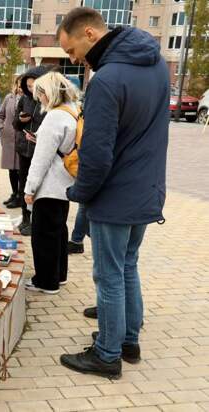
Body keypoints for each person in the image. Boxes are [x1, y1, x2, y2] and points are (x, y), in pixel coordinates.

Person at [56, 7, 169, 379]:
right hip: (146, 191)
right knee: (127, 267)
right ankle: (128, 342)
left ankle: (106, 354)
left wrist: (79, 193)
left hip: (115, 196)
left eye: (72, 51)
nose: (74, 60)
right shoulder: (156, 67)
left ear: (89, 34)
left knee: (108, 276)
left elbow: (97, 154)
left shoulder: (106, 80)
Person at [23, 72, 80, 294]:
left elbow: (40, 160)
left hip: (49, 186)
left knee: (43, 236)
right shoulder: (72, 111)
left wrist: (29, 189)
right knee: (58, 232)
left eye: (39, 94)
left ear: (48, 92)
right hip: (65, 184)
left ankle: (46, 281)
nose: (38, 99)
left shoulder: (54, 117)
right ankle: (59, 275)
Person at [13, 66, 51, 236]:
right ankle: (25, 218)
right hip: (24, 149)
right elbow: (15, 123)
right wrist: (21, 120)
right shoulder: (24, 99)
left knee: (36, 187)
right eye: (28, 86)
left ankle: (35, 220)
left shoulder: (48, 101)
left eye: (33, 86)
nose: (31, 90)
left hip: (39, 150)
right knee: (23, 185)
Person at [0, 77, 22, 209]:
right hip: (8, 138)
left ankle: (20, 196)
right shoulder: (9, 98)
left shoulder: (30, 99)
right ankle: (14, 193)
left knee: (20, 169)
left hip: (21, 138)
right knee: (11, 168)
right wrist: (1, 128)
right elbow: (0, 115)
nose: (20, 86)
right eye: (18, 83)